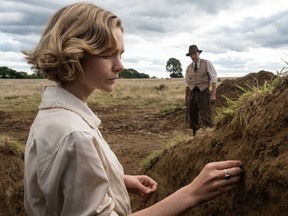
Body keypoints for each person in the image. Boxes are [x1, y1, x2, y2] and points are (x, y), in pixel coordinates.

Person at [23, 3, 243, 216]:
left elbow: (63, 185)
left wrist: (117, 179)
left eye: (121, 54)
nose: (120, 65)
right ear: (74, 53)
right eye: (107, 53)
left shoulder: (53, 116)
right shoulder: (74, 136)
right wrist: (192, 193)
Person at [184, 44, 217, 136]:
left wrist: (213, 94)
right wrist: (186, 98)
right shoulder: (188, 68)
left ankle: (208, 136)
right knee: (192, 117)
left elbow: (213, 80)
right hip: (192, 95)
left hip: (204, 93)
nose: (193, 56)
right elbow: (187, 84)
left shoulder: (207, 63)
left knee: (205, 116)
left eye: (195, 54)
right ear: (190, 56)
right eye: (191, 55)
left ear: (198, 53)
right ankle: (194, 138)